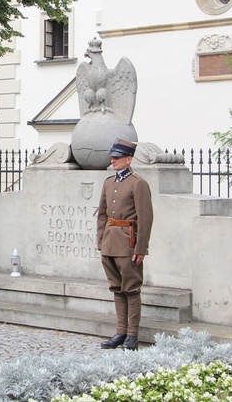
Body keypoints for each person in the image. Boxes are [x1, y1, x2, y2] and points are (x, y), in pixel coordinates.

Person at [97, 138, 154, 351]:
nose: (113, 160)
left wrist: (140, 249)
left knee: (131, 290)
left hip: (127, 243)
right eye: (112, 157)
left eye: (118, 157)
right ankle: (121, 331)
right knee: (116, 289)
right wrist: (101, 241)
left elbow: (146, 218)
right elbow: (102, 214)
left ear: (129, 159)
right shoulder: (108, 182)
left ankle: (132, 335)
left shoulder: (138, 184)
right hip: (110, 243)